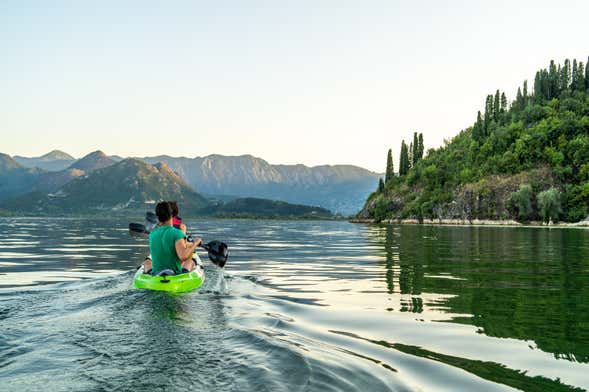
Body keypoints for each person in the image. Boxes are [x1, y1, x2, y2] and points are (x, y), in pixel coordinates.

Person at [143, 201, 201, 274]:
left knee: (147, 261)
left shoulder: (152, 234)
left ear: (158, 217)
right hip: (174, 273)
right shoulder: (178, 233)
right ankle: (184, 272)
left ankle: (149, 273)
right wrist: (195, 243)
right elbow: (183, 256)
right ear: (171, 215)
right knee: (191, 261)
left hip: (156, 273)